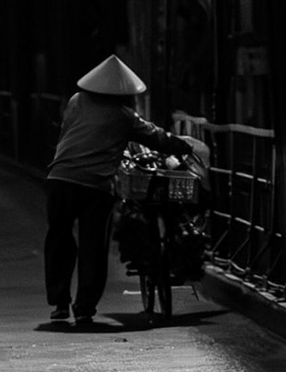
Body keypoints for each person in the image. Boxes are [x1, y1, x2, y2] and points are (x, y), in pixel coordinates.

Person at [44, 54, 192, 328]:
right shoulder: (124, 117)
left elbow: (70, 133)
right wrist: (184, 146)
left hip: (60, 179)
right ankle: (84, 309)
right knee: (93, 248)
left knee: (59, 239)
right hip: (96, 186)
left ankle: (59, 302)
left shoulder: (76, 101)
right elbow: (156, 137)